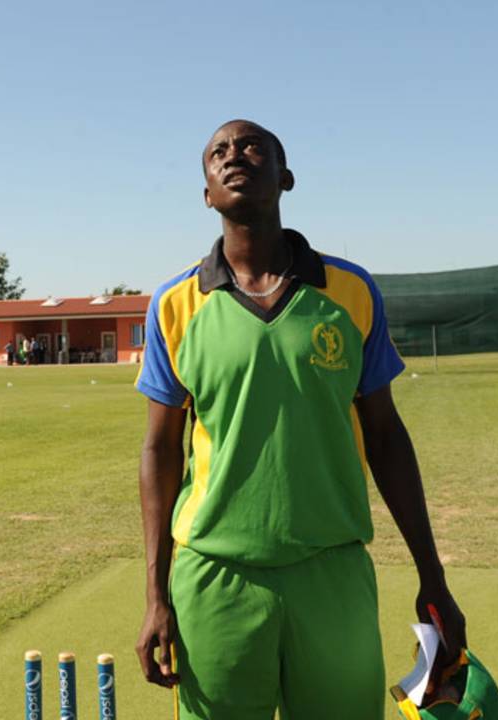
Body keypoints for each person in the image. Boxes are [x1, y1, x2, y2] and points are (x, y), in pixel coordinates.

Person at [134, 120, 465, 719]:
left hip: (332, 571)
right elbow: (159, 451)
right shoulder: (174, 304)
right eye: (219, 152)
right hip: (214, 575)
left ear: (285, 178)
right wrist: (156, 594)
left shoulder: (350, 290)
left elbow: (387, 438)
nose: (235, 154)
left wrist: (432, 576)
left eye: (253, 145)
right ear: (207, 192)